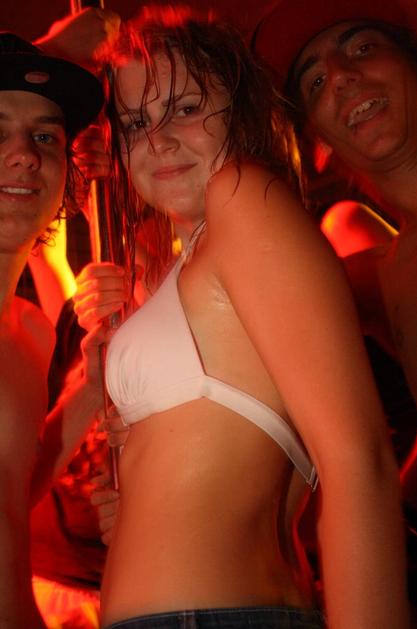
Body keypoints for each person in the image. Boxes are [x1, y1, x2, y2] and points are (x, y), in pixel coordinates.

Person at [72, 6, 409, 629]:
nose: (158, 139)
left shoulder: (243, 197)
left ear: (241, 110)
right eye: (135, 122)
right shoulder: (200, 257)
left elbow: (358, 460)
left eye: (185, 107)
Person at [254, 0, 417, 616]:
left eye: (364, 48)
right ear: (318, 143)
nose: (343, 76)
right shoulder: (380, 277)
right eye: (316, 81)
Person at [0, 31, 104, 627]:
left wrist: (89, 386)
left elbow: (13, 493)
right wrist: (60, 42)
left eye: (44, 137)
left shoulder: (31, 333)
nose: (24, 155)